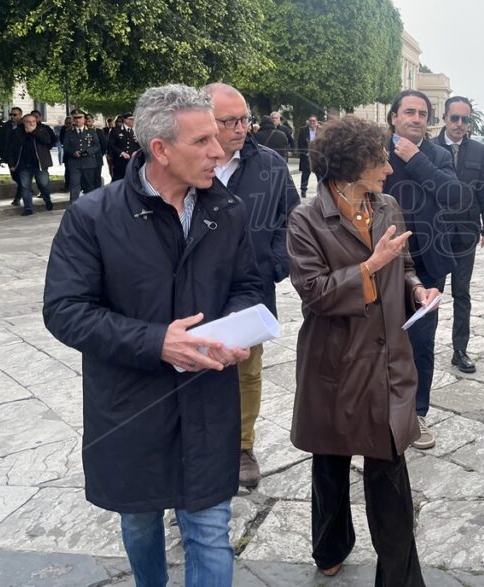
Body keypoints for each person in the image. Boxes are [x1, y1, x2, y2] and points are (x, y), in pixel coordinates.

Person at [43, 84, 261, 587]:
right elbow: (65, 310)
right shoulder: (92, 217)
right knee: (140, 521)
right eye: (202, 140)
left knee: (210, 531)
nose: (219, 150)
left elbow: (249, 284)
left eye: (217, 136)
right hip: (130, 405)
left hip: (207, 401)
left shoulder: (226, 210)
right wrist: (157, 341)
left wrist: (235, 326)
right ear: (160, 149)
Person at [287, 115, 440, 585]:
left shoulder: (388, 206)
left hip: (386, 360)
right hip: (333, 362)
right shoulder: (306, 219)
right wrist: (370, 267)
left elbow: (405, 264)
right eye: (380, 161)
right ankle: (330, 547)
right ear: (352, 165)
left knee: (390, 472)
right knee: (329, 460)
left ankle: (399, 578)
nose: (390, 169)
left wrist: (416, 289)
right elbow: (313, 292)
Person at [206, 83, 300, 487]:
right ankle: (202, 445)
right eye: (229, 121)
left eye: (244, 119)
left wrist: (275, 263)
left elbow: (292, 219)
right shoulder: (190, 161)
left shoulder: (270, 165)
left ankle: (243, 445)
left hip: (252, 288)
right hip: (196, 290)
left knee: (247, 370)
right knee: (197, 371)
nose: (241, 128)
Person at [383, 89, 464, 450]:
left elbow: (453, 196)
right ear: (394, 117)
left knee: (421, 341)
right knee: (378, 337)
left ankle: (416, 413)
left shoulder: (438, 155)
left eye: (422, 114)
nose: (416, 119)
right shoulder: (376, 151)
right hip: (382, 261)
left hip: (428, 263)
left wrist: (416, 160)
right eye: (409, 112)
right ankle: (381, 408)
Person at [432, 96, 484, 373]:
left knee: (462, 293)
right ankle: (423, 346)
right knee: (431, 293)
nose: (459, 124)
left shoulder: (478, 151)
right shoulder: (429, 149)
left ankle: (460, 350)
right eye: (454, 118)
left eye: (465, 119)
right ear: (444, 118)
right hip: (435, 233)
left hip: (466, 232)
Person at [8, 112, 55, 215]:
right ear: (24, 123)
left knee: (44, 184)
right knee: (25, 186)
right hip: (23, 164)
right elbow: (11, 149)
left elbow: (47, 141)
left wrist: (34, 132)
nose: (31, 123)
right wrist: (11, 164)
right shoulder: (17, 133)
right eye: (28, 122)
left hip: (40, 164)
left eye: (33, 121)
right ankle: (28, 208)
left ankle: (47, 200)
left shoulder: (42, 130)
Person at [63, 109, 102, 202]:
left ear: (84, 119)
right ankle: (74, 206)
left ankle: (90, 206)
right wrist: (73, 152)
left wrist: (88, 152)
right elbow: (66, 147)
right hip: (74, 164)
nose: (77, 120)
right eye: (75, 118)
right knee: (74, 185)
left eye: (80, 117)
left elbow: (97, 145)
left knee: (89, 186)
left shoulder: (91, 131)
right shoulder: (69, 132)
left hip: (89, 163)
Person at [109, 112, 139, 181]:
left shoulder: (136, 131)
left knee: (133, 180)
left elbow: (140, 144)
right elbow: (111, 145)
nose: (133, 121)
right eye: (131, 119)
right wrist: (121, 153)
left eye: (134, 119)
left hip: (133, 160)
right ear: (125, 120)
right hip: (120, 161)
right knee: (119, 180)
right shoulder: (116, 130)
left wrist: (136, 151)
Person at [296, 114, 319, 198]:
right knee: (305, 173)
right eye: (310, 121)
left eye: (314, 121)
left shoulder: (321, 130)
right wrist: (305, 152)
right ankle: (303, 190)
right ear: (308, 122)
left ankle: (321, 191)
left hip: (318, 157)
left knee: (319, 175)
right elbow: (300, 143)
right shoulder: (303, 130)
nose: (312, 122)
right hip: (306, 156)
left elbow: (325, 142)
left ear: (317, 122)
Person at [85, 113, 107, 188]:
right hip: (86, 159)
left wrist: (100, 154)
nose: (88, 123)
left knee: (97, 178)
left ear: (93, 121)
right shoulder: (83, 131)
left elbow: (103, 145)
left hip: (97, 158)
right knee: (88, 179)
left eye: (89, 121)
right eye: (86, 121)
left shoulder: (99, 131)